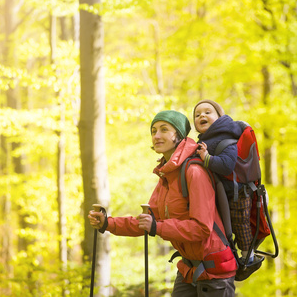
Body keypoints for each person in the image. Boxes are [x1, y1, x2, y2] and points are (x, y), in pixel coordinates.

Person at [89, 110, 236, 296]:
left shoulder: (194, 172)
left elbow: (202, 228)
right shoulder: (167, 176)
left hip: (215, 272)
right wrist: (107, 223)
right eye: (153, 131)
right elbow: (148, 221)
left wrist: (157, 227)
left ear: (178, 135)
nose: (156, 136)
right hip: (189, 269)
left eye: (164, 129)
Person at [193, 100, 254, 264]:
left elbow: (227, 166)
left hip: (237, 193)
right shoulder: (205, 141)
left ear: (220, 117)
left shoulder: (227, 138)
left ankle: (249, 255)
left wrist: (207, 158)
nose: (202, 116)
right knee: (223, 227)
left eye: (207, 112)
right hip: (221, 194)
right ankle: (228, 253)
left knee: (240, 224)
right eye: (197, 115)